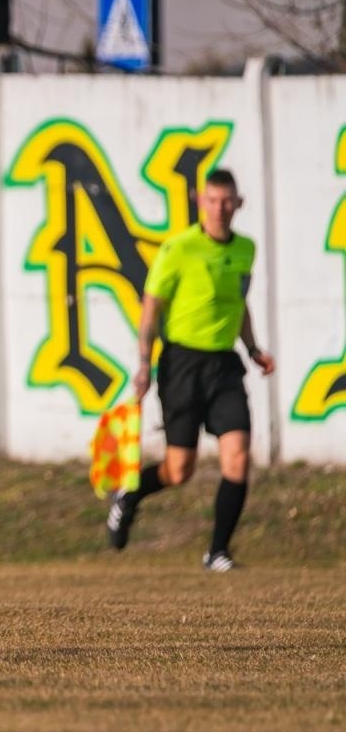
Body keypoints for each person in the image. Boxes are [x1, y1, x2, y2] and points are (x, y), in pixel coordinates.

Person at [107, 169, 275, 571]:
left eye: (227, 201)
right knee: (179, 470)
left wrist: (252, 348)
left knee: (238, 456)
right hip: (182, 363)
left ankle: (217, 551)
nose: (220, 209)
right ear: (201, 202)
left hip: (224, 367)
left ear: (239, 203)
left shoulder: (245, 250)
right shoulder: (178, 249)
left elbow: (239, 303)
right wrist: (145, 365)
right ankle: (128, 496)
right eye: (213, 200)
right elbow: (151, 307)